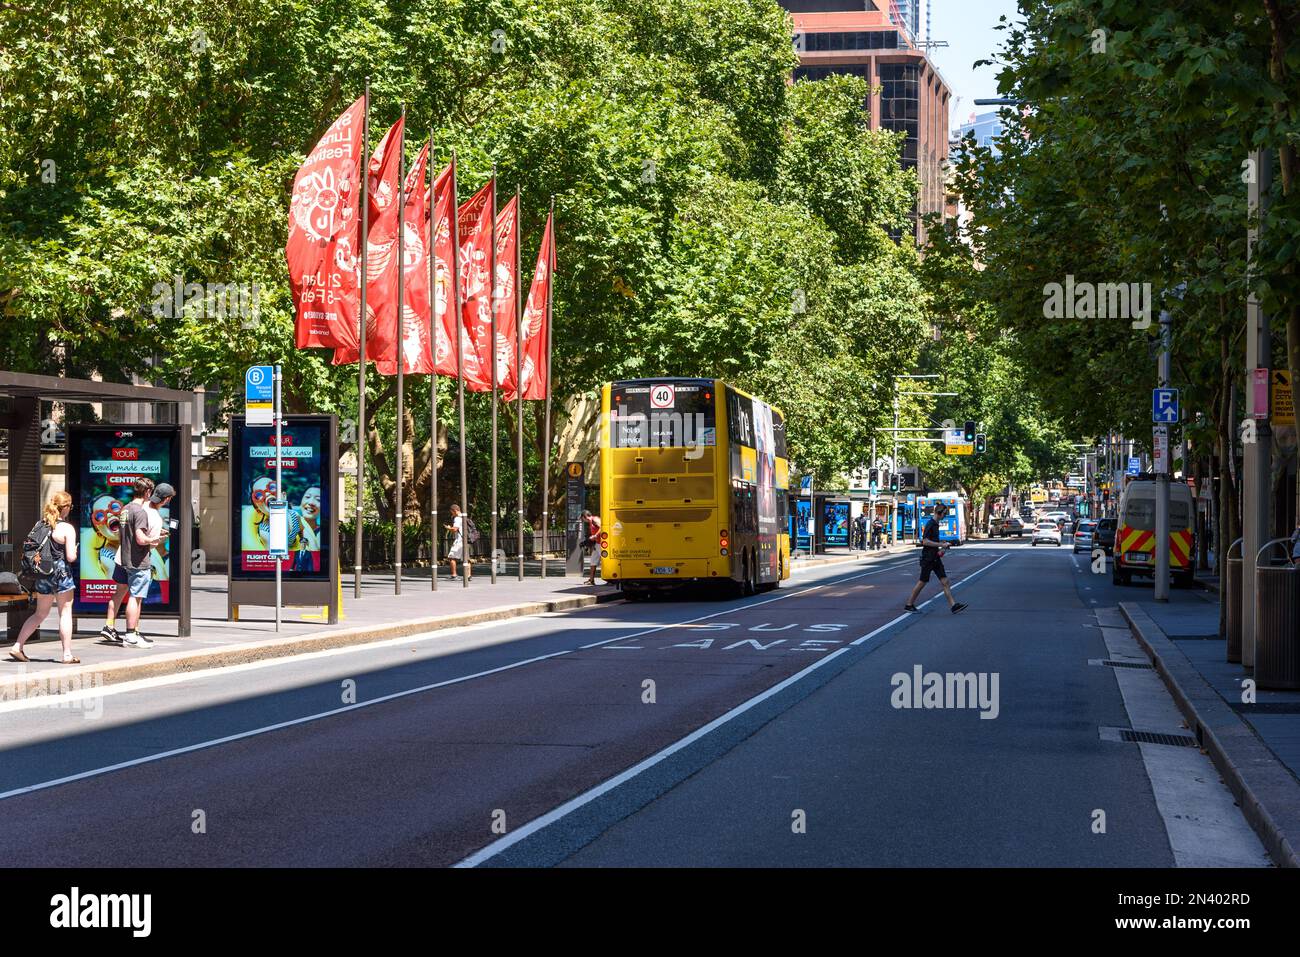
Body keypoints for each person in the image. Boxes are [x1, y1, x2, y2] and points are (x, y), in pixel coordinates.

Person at [8, 492, 80, 664]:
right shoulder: (67, 528)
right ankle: (67, 654)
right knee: (65, 612)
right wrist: (75, 551)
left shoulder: (40, 524)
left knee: (40, 613)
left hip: (43, 573)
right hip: (61, 573)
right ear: (67, 508)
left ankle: (17, 646)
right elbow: (70, 557)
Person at [103, 478, 174, 648]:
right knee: (136, 598)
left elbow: (127, 532)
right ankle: (131, 634)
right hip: (138, 561)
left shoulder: (126, 509)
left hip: (122, 558)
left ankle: (109, 626)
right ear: (149, 492)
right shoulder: (148, 514)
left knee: (120, 592)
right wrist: (157, 538)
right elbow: (143, 540)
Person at [903, 502, 967, 615]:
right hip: (928, 559)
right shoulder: (930, 524)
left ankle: (953, 606)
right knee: (922, 582)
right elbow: (925, 541)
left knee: (945, 581)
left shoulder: (936, 524)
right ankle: (909, 605)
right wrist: (941, 545)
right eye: (944, 514)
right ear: (939, 513)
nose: (945, 516)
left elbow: (934, 543)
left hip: (935, 558)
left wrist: (941, 548)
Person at [445, 503, 472, 580]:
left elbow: (455, 529)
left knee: (451, 557)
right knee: (466, 558)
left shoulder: (457, 518)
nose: (452, 514)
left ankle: (454, 575)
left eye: (452, 512)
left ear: (454, 511)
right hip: (466, 540)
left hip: (459, 540)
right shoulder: (465, 517)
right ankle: (468, 575)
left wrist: (449, 528)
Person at [582, 509, 602, 585]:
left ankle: (611, 580)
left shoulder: (595, 519)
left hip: (601, 543)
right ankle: (591, 580)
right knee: (593, 561)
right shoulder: (591, 522)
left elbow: (602, 527)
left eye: (582, 518)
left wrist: (595, 535)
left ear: (585, 516)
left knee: (605, 561)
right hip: (597, 544)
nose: (583, 520)